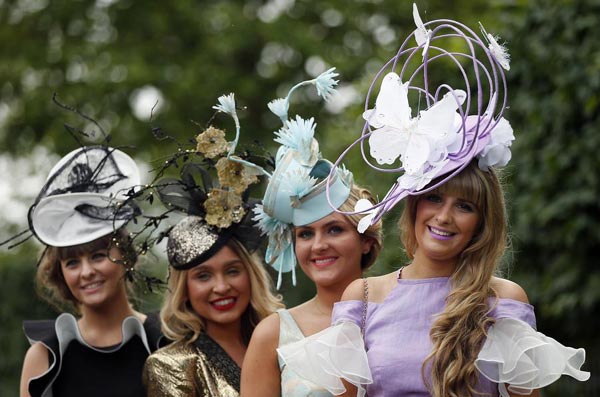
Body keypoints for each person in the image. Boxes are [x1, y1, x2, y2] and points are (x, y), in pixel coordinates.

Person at [278, 5, 590, 397]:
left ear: (481, 221)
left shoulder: (503, 300)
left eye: (465, 206)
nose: (444, 216)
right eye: (435, 198)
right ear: (414, 204)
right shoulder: (363, 296)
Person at [240, 71, 383, 397]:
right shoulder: (272, 335)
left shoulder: (402, 312)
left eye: (334, 229)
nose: (318, 245)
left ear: (366, 241)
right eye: (305, 234)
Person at [142, 93, 284, 396]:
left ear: (251, 275)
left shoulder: (286, 344)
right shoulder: (172, 365)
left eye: (232, 271)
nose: (221, 287)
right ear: (185, 289)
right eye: (204, 276)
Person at [17, 146, 164, 397]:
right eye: (72, 263)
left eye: (98, 256)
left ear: (125, 257)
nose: (86, 272)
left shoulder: (164, 340)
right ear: (60, 273)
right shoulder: (45, 356)